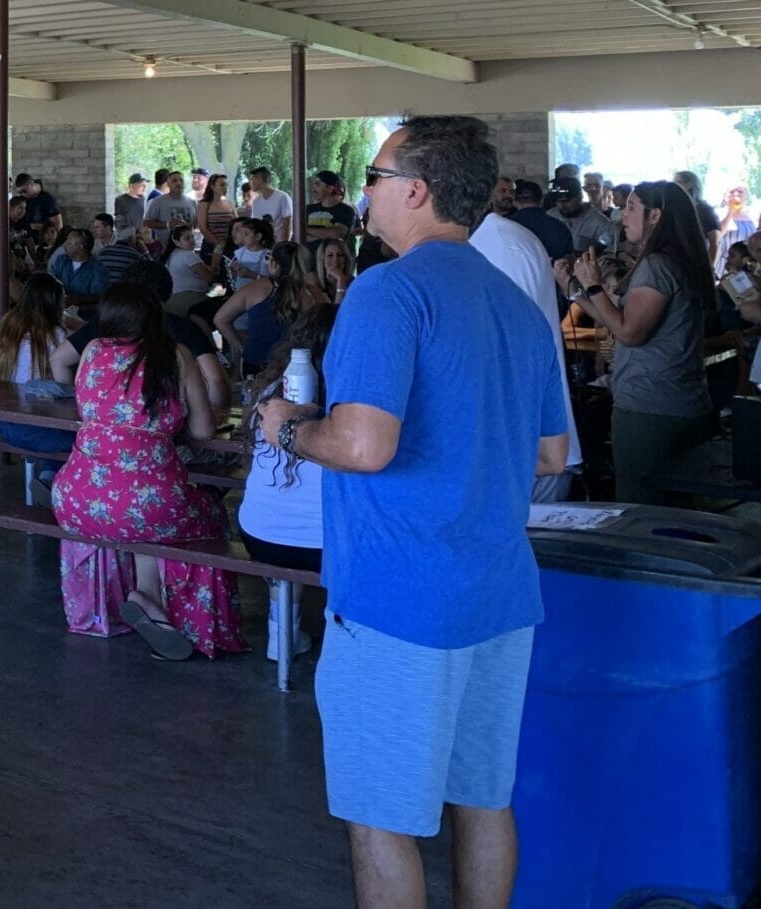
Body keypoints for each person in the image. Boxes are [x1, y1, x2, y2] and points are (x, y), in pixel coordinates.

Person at [258, 116, 570, 908]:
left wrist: (286, 428)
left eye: (372, 175)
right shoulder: (516, 303)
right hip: (499, 594)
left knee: (379, 819)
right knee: (484, 797)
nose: (362, 192)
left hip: (399, 600)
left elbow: (364, 445)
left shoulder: (386, 292)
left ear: (416, 190)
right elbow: (550, 454)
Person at [52, 283, 240, 660]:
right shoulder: (175, 355)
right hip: (147, 503)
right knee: (205, 515)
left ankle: (147, 597)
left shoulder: (90, 351)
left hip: (75, 498)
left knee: (144, 510)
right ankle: (184, 618)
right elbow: (203, 431)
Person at [570, 181, 715, 505]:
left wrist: (594, 285)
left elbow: (630, 332)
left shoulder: (657, 265)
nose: (623, 216)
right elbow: (616, 318)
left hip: (651, 406)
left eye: (632, 207)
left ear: (656, 216)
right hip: (682, 403)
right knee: (681, 508)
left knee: (642, 509)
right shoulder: (678, 260)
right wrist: (576, 290)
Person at [237, 305, 338, 659]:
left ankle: (281, 632)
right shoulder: (355, 407)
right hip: (330, 546)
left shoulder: (270, 397)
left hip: (260, 533)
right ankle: (341, 635)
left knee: (285, 529)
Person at [475, 192, 585, 502]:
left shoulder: (501, 249)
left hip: (526, 455)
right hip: (510, 454)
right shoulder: (486, 245)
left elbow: (514, 357)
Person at [0, 274, 76, 481]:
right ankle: (50, 477)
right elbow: (65, 387)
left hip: (5, 426)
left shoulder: (7, 325)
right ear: (54, 303)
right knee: (86, 437)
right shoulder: (56, 335)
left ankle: (48, 476)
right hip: (40, 428)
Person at [216, 241, 327, 377]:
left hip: (256, 361)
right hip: (297, 364)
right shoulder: (311, 293)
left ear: (273, 263)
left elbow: (220, 319)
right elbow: (328, 325)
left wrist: (242, 347)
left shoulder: (255, 288)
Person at [508, 179, 573, 261]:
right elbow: (569, 263)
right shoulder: (561, 228)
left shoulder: (505, 226)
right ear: (542, 200)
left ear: (515, 201)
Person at [549, 176, 612, 255]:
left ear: (580, 196)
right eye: (558, 201)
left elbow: (608, 258)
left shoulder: (601, 224)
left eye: (567, 201)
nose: (562, 206)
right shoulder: (549, 217)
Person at [48, 227, 109, 306]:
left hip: (85, 316)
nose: (65, 245)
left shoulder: (98, 270)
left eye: (69, 242)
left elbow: (99, 297)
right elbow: (51, 280)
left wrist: (81, 299)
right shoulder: (61, 260)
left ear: (81, 246)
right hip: (59, 312)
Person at [304, 170, 357, 253]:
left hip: (333, 260)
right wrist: (325, 235)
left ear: (329, 188)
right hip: (308, 259)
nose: (313, 188)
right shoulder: (308, 209)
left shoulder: (345, 210)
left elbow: (336, 233)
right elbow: (301, 234)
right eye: (313, 184)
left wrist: (306, 230)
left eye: (317, 184)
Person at [144, 171, 195, 246]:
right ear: (168, 184)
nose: (178, 183)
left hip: (188, 246)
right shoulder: (158, 201)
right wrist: (167, 224)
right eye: (174, 181)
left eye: (181, 180)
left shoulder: (193, 202)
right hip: (166, 248)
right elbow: (147, 223)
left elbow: (197, 224)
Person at [247, 167, 295, 241]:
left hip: (278, 243)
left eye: (252, 179)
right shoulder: (256, 201)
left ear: (260, 179)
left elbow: (287, 223)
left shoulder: (282, 197)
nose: (250, 182)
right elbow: (255, 224)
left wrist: (285, 244)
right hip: (262, 244)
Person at [196, 174, 237, 248]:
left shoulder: (230, 204)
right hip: (211, 246)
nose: (225, 188)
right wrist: (218, 244)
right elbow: (203, 229)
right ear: (213, 187)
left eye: (226, 185)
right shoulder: (204, 204)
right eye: (222, 185)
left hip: (230, 245)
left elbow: (237, 225)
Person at [113, 173, 151, 238]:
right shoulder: (121, 200)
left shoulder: (143, 199)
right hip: (126, 235)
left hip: (141, 235)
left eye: (145, 186)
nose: (144, 188)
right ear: (131, 186)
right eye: (142, 185)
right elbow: (119, 222)